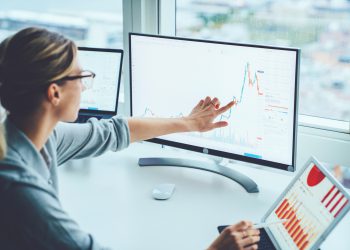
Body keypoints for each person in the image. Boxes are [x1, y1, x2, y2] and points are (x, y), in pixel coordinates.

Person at [0, 27, 260, 250]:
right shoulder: (20, 189)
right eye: (80, 77)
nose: (84, 86)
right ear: (54, 94)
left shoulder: (34, 137)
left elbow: (112, 131)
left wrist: (189, 123)